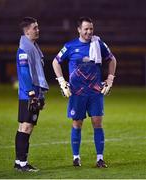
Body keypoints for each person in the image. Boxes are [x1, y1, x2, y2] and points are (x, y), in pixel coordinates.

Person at [52, 17, 116, 168]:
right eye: (86, 29)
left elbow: (112, 59)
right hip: (77, 93)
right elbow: (56, 62)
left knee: (97, 123)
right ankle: (76, 157)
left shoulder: (98, 44)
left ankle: (100, 158)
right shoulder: (70, 46)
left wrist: (110, 79)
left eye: (91, 29)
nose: (89, 32)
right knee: (77, 123)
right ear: (79, 29)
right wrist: (62, 82)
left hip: (95, 92)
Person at [14, 17, 49, 172]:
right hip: (29, 94)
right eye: (35, 28)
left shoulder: (32, 47)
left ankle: (19, 162)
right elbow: (24, 72)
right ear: (27, 30)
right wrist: (32, 93)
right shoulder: (24, 49)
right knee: (26, 127)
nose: (37, 30)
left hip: (31, 93)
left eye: (37, 27)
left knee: (23, 126)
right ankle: (22, 163)